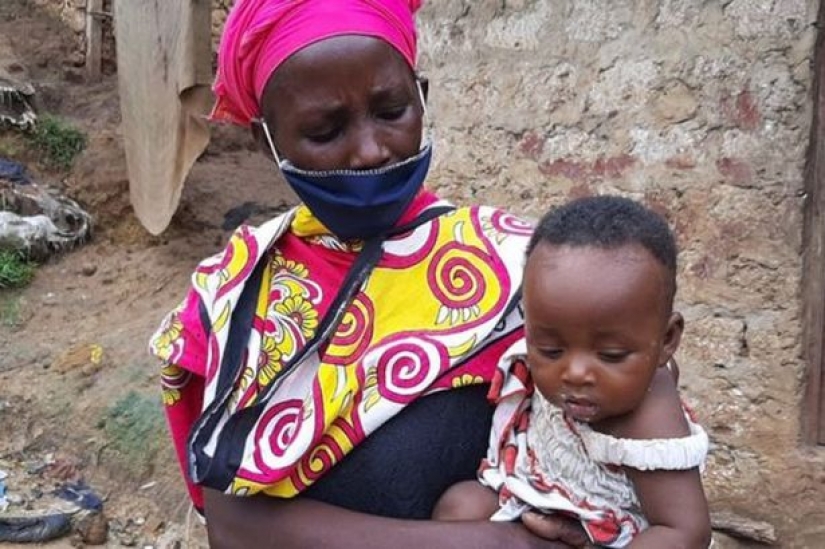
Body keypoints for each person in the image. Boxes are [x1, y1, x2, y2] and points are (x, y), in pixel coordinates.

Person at [149, 1, 587, 547]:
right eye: (325, 130)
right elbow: (235, 525)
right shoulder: (239, 293)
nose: (370, 151)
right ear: (268, 141)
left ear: (421, 96)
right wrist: (485, 543)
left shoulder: (522, 263)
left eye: (391, 111)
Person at [433, 196, 712, 548]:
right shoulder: (555, 360)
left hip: (611, 534)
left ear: (666, 341)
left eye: (611, 355)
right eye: (550, 350)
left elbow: (685, 532)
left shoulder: (650, 419)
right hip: (540, 496)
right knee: (462, 505)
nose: (576, 373)